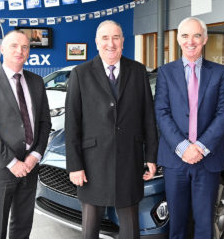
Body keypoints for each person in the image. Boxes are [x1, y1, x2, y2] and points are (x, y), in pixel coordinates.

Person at [65, 20, 158, 239]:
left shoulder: (137, 71)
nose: (111, 43)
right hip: (91, 164)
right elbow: (72, 124)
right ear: (97, 42)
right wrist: (75, 165)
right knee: (90, 229)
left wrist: (151, 156)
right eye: (105, 38)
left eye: (116, 37)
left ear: (123, 41)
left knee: (130, 228)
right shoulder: (81, 73)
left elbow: (148, 116)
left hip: (130, 160)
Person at [154, 17, 224, 239]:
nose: (191, 41)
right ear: (178, 39)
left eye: (197, 35)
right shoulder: (166, 72)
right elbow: (161, 112)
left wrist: (200, 147)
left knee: (205, 223)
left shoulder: (220, 73)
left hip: (208, 160)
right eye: (185, 36)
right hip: (174, 160)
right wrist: (183, 147)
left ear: (205, 39)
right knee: (176, 224)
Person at [0, 30, 51, 239]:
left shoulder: (36, 81)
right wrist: (12, 162)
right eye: (14, 46)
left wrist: (35, 156)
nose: (20, 50)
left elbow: (44, 122)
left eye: (25, 47)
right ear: (2, 50)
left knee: (23, 227)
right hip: (0, 168)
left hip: (30, 167)